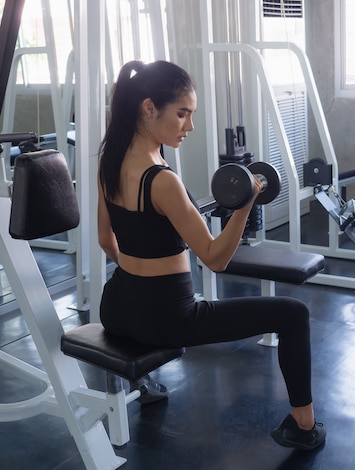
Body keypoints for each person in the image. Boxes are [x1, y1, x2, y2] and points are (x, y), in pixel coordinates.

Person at [97, 60, 325, 451]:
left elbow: (107, 241)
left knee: (141, 295)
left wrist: (140, 272)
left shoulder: (110, 162)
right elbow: (215, 259)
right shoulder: (163, 180)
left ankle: (143, 382)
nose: (189, 126)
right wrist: (244, 204)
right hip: (168, 319)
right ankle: (304, 427)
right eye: (182, 114)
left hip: (115, 308)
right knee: (293, 314)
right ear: (149, 108)